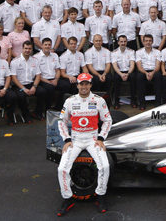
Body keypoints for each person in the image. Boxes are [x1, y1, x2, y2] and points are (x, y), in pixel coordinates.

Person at [57, 72, 112, 216]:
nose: (84, 86)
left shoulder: (98, 100)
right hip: (75, 139)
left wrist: (101, 138)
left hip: (93, 139)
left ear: (91, 85)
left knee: (105, 166)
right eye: (81, 83)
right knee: (62, 169)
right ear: (77, 85)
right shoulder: (70, 101)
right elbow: (61, 121)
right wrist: (67, 139)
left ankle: (100, 196)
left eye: (87, 83)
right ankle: (67, 199)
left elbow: (107, 120)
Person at [10, 41, 46, 123]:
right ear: (22, 49)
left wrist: (34, 86)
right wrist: (24, 88)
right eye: (26, 48)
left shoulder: (35, 60)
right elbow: (14, 78)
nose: (27, 50)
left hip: (31, 84)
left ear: (32, 50)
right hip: (19, 86)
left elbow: (38, 75)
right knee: (21, 96)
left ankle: (37, 113)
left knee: (42, 92)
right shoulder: (15, 61)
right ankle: (26, 115)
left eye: (29, 49)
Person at [33, 38, 61, 113]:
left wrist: (56, 79)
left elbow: (58, 70)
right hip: (42, 80)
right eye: (45, 45)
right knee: (50, 88)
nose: (47, 46)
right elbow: (37, 75)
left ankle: (59, 107)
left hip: (54, 79)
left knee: (66, 85)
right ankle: (47, 109)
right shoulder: (36, 57)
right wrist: (48, 82)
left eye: (49, 45)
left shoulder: (55, 55)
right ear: (42, 45)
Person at [57, 37, 87, 106]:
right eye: (71, 44)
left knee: (87, 82)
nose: (73, 45)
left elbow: (84, 68)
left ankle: (83, 105)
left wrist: (87, 75)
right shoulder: (63, 56)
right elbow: (62, 73)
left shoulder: (80, 54)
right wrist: (70, 77)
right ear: (68, 44)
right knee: (68, 85)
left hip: (78, 76)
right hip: (67, 76)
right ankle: (64, 105)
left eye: (74, 44)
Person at [135, 34, 162, 110]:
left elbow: (157, 66)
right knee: (139, 77)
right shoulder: (138, 52)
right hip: (143, 71)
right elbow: (139, 66)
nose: (148, 42)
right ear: (143, 42)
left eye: (150, 41)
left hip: (154, 70)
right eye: (146, 41)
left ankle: (158, 103)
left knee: (159, 76)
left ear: (152, 42)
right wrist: (146, 73)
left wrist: (152, 73)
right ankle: (142, 103)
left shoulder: (157, 52)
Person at [111, 35, 136, 109]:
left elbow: (132, 65)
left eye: (125, 41)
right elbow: (115, 66)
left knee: (134, 78)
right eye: (121, 41)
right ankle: (116, 101)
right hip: (119, 72)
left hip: (129, 71)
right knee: (115, 79)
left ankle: (133, 100)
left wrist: (128, 74)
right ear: (118, 42)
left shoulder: (131, 51)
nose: (123, 43)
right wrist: (121, 74)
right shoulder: (114, 52)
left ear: (127, 42)